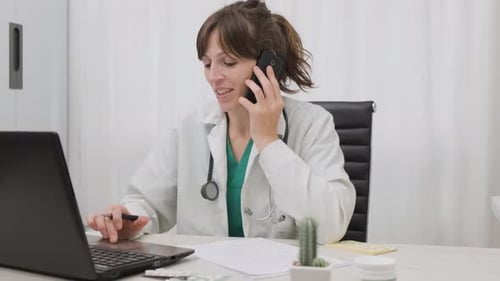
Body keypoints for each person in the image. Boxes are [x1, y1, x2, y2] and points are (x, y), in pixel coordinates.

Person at [87, 0, 355, 244]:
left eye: (228, 62)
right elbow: (146, 202)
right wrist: (128, 220)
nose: (214, 77)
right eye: (206, 64)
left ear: (266, 65)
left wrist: (269, 141)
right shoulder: (190, 126)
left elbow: (331, 226)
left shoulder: (312, 124)